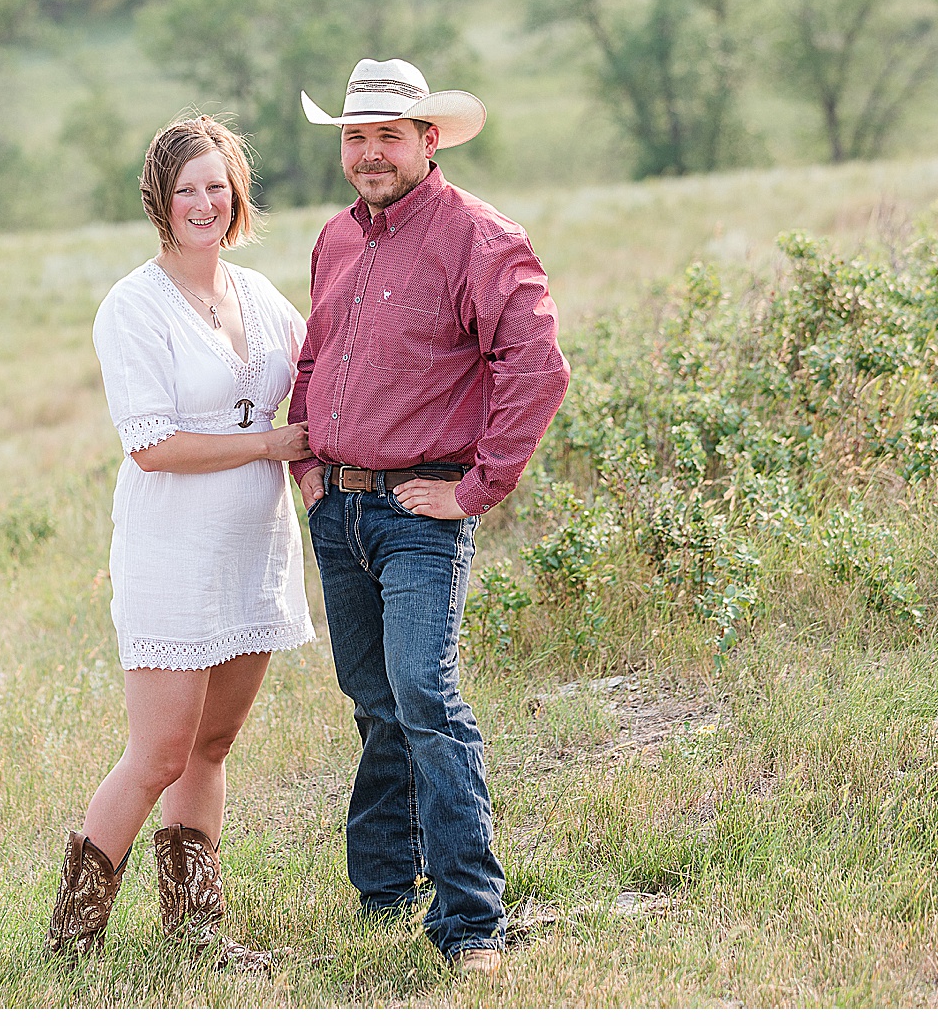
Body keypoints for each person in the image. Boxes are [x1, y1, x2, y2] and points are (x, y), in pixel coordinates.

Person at [287, 58, 570, 978]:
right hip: (340, 508)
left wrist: (477, 487)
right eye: (355, 137)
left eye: (387, 137)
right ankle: (382, 889)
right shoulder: (335, 238)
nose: (369, 153)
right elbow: (316, 356)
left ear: (427, 141)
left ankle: (472, 922)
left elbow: (538, 364)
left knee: (424, 695)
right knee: (373, 700)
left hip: (420, 512)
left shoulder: (478, 238)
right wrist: (312, 469)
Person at [50, 115, 313, 967]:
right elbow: (151, 444)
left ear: (237, 192)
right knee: (160, 750)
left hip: (253, 550)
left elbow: (321, 378)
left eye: (217, 184)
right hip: (171, 552)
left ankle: (196, 935)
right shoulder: (133, 306)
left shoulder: (261, 296)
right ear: (160, 201)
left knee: (213, 744)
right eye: (186, 188)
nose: (205, 201)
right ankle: (72, 941)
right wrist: (272, 444)